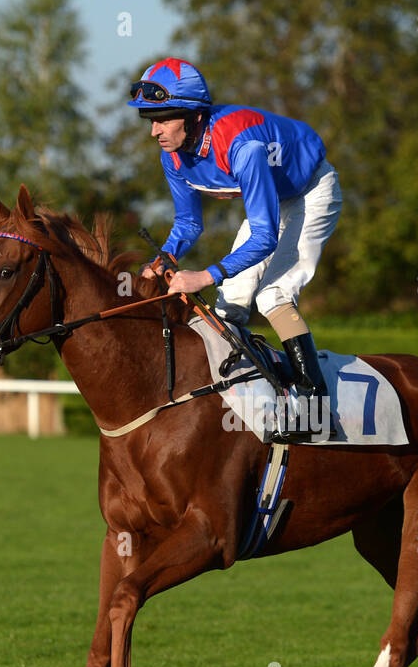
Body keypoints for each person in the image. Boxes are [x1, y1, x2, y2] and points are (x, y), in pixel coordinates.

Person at [128, 57, 341, 443]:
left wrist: (204, 275)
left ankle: (315, 406)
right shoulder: (172, 155)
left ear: (193, 116)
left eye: (162, 119)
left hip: (311, 193)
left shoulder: (243, 147)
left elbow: (264, 238)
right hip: (272, 202)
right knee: (228, 307)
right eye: (150, 120)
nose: (154, 130)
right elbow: (189, 223)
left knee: (273, 294)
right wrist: (162, 260)